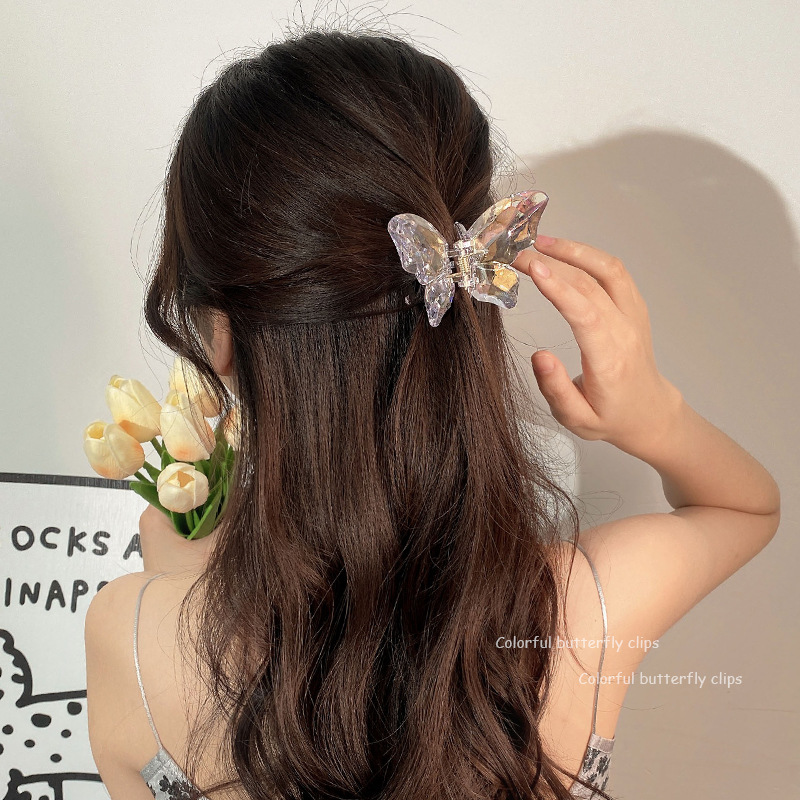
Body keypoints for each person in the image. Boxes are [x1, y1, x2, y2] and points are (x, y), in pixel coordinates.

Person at [83, 27, 780, 800]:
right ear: (477, 268)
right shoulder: (583, 610)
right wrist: (653, 415)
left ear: (218, 332)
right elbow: (746, 508)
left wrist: (180, 583)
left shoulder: (130, 643)